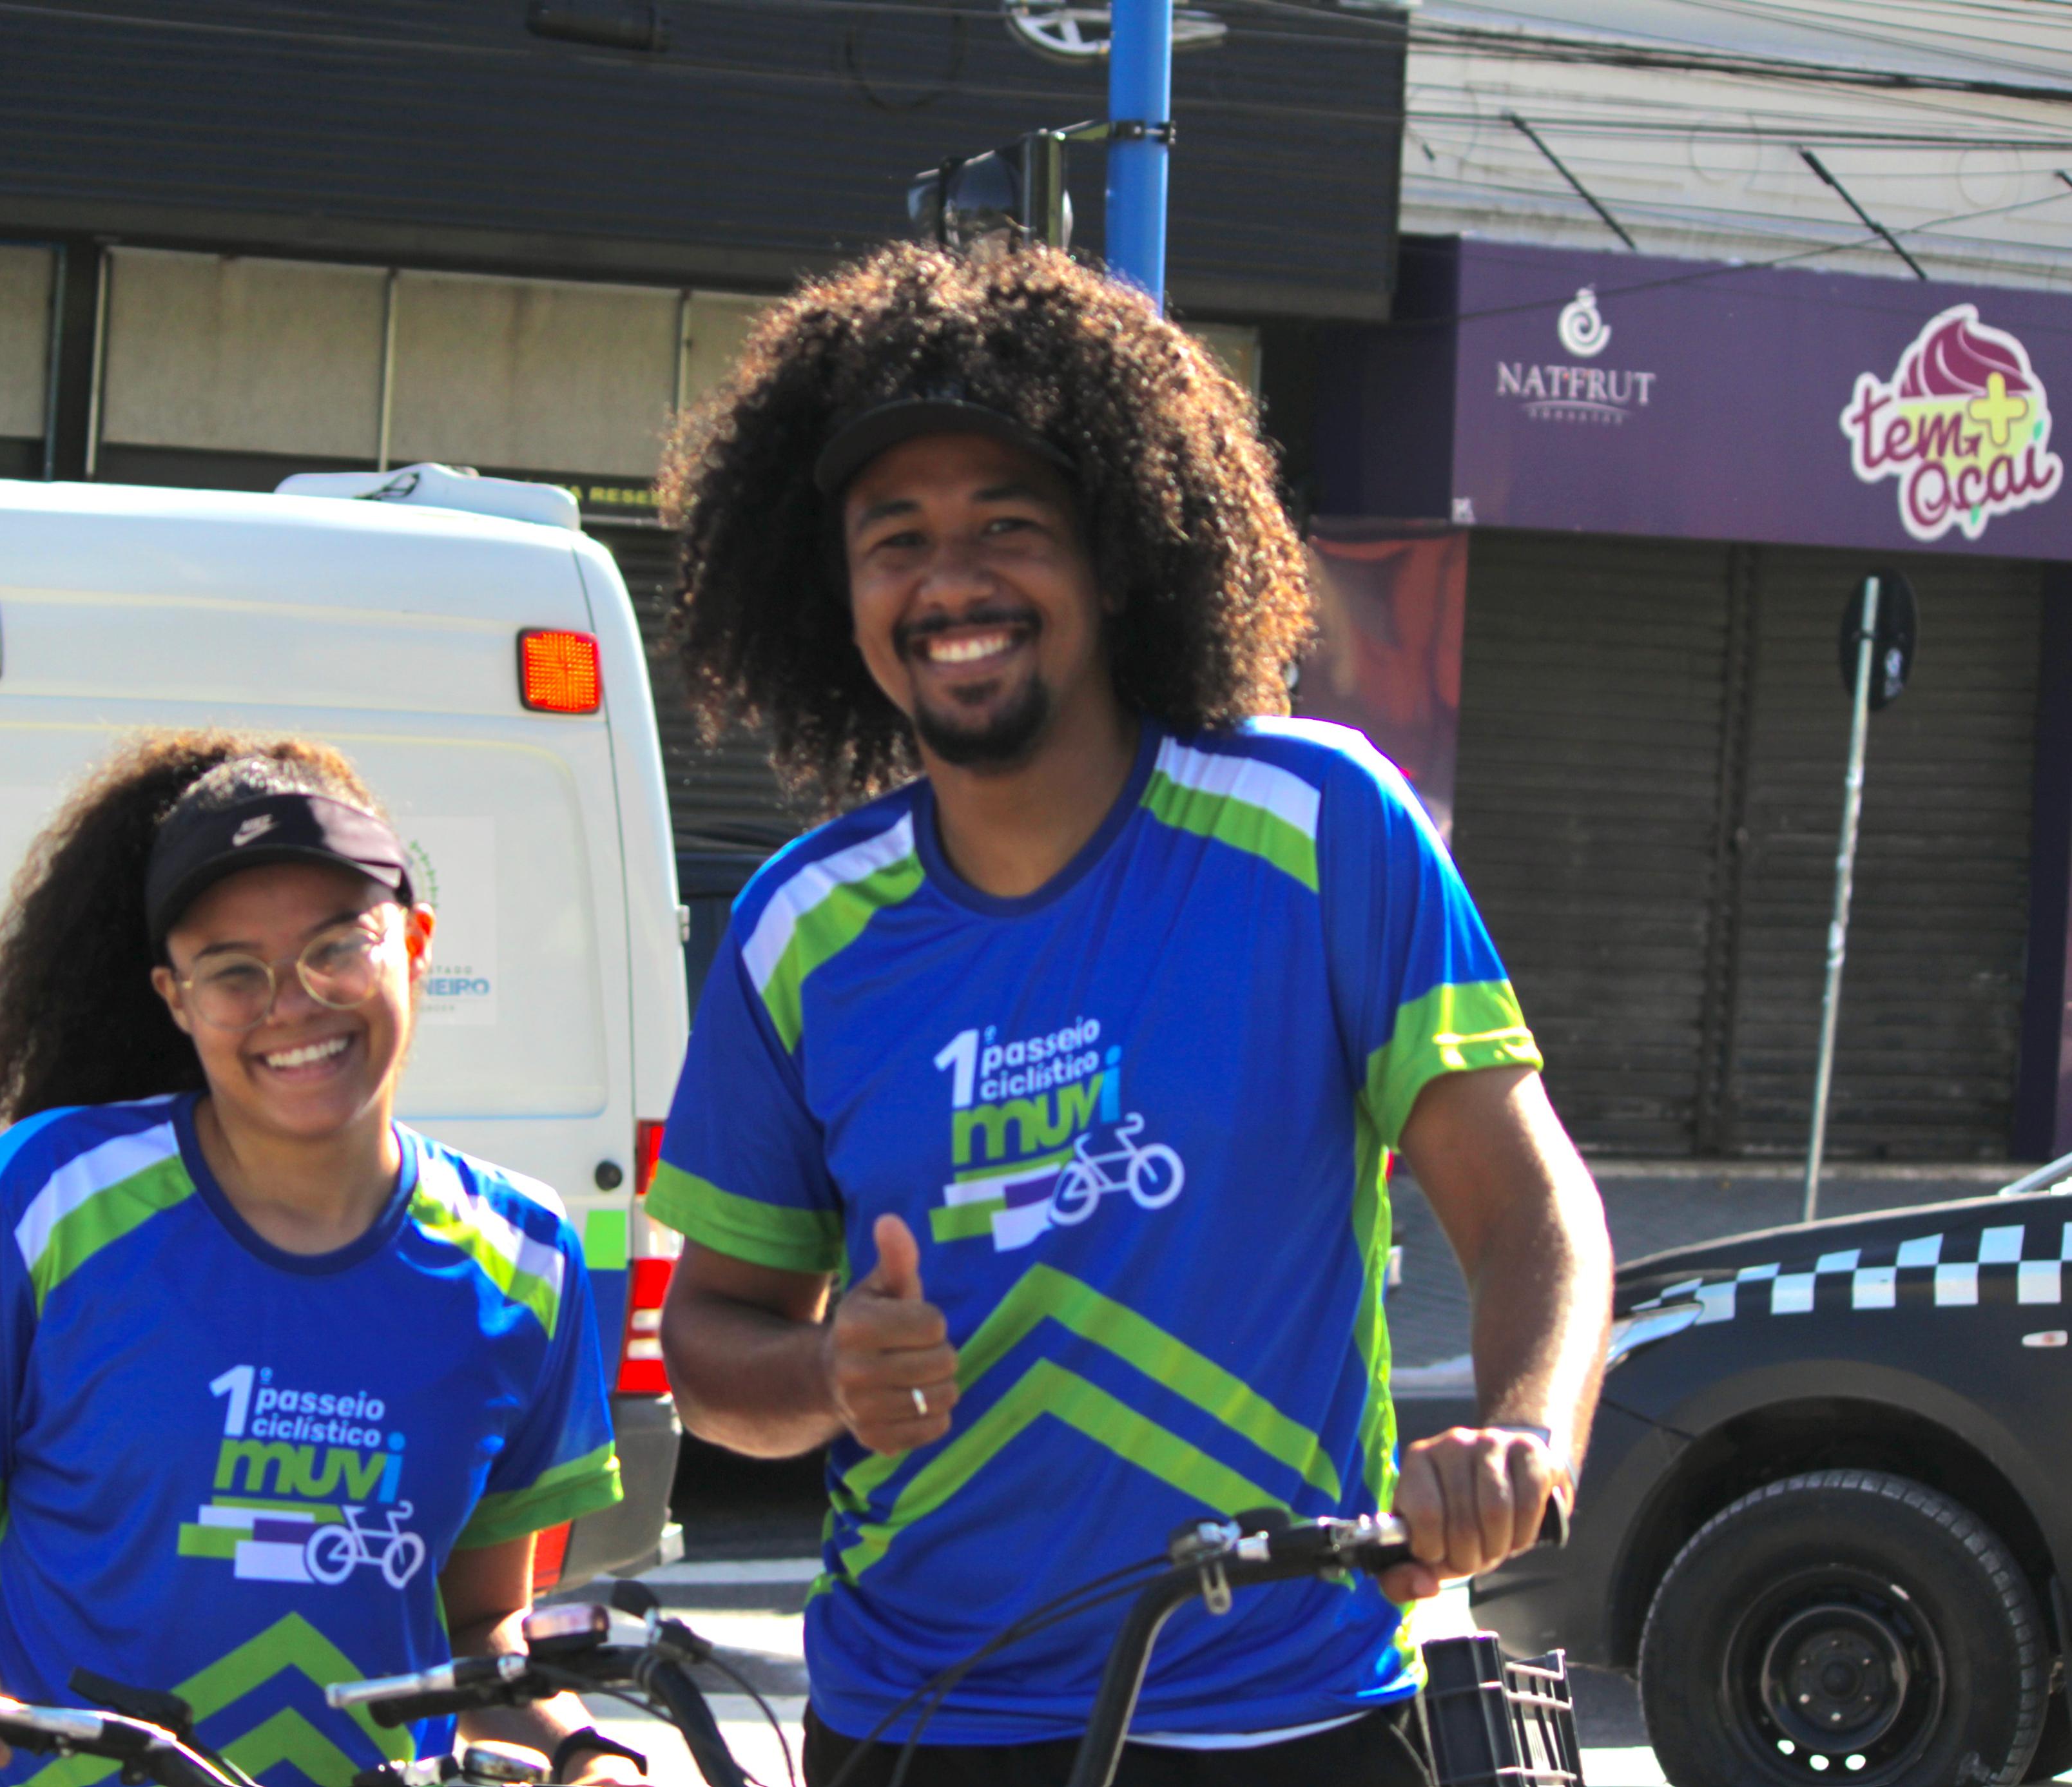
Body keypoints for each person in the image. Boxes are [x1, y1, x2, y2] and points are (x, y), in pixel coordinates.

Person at [647, 246, 1614, 1786]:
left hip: (1285, 1704)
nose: (950, 580)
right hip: (918, 1722)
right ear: (837, 596)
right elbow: (710, 1342)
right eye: (894, 539)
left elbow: (1530, 1209)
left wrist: (1520, 1439)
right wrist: (828, 1376)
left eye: (1007, 526)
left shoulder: (1316, 829)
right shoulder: (797, 928)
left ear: (1115, 553)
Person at [0, 734, 646, 1787]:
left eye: (336, 947)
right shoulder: (44, 1198)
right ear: (176, 996)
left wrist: (586, 1754)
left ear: (416, 940)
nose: (292, 1002)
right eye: (233, 971)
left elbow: (484, 1622)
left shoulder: (528, 1256)